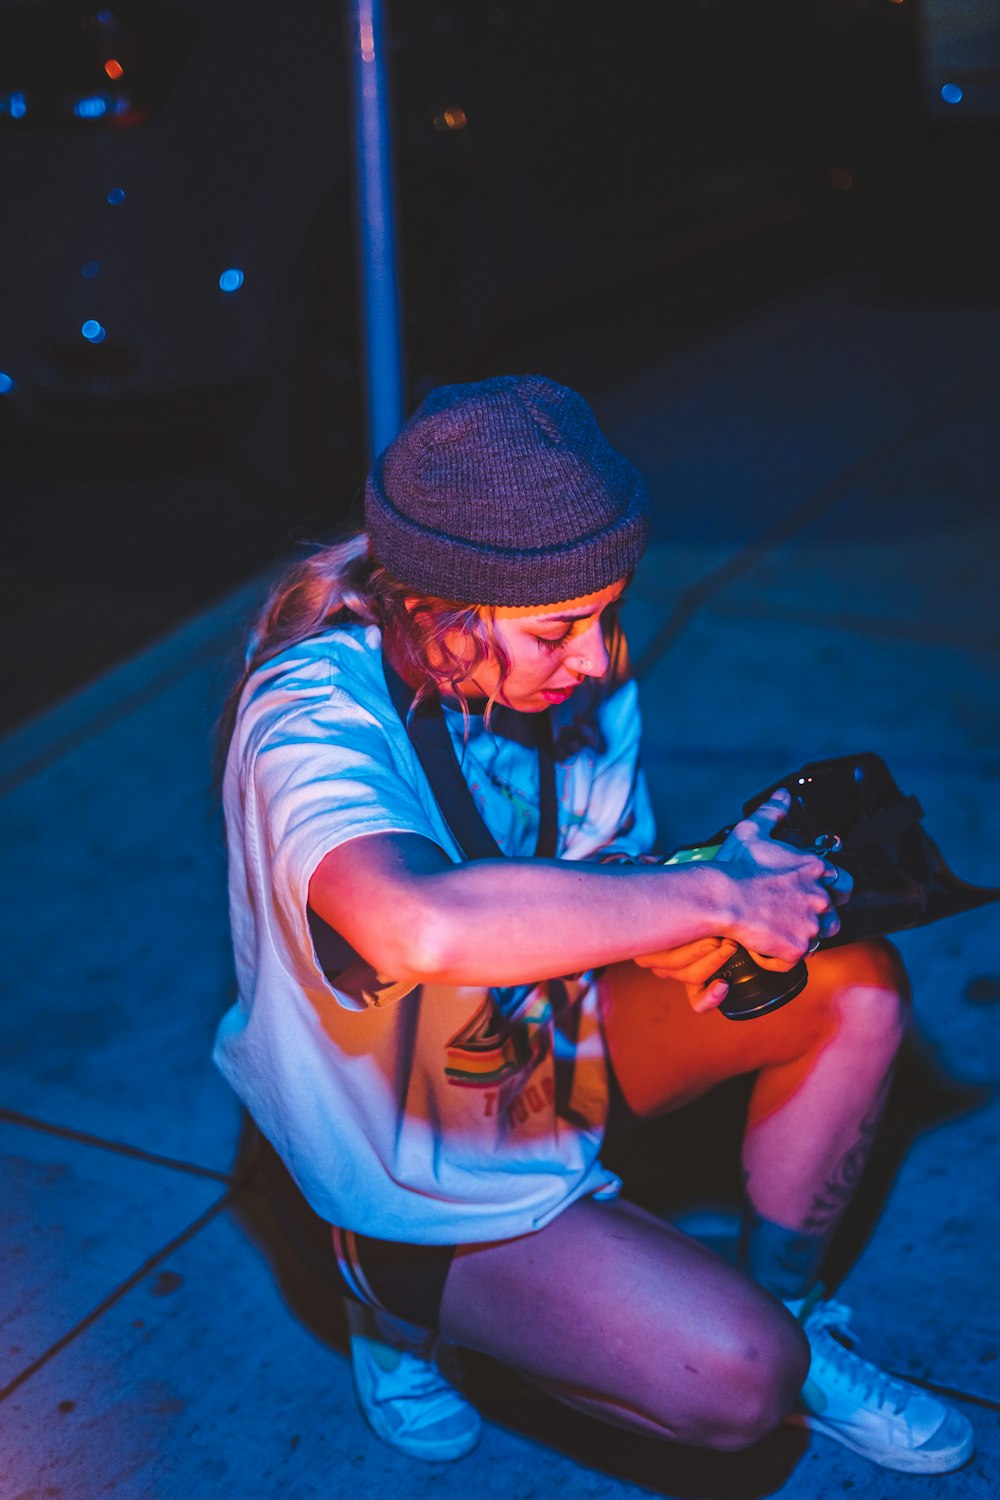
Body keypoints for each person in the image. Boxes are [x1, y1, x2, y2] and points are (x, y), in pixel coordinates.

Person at [214, 375, 973, 1473]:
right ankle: (388, 1295)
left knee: (851, 987)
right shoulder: (309, 719)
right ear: (437, 612)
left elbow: (599, 877)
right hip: (411, 1163)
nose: (599, 660)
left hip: (545, 1055)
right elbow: (413, 925)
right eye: (562, 627)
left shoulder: (570, 681)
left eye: (609, 613)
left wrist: (703, 894)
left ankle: (795, 1308)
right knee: (737, 1384)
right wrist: (715, 896)